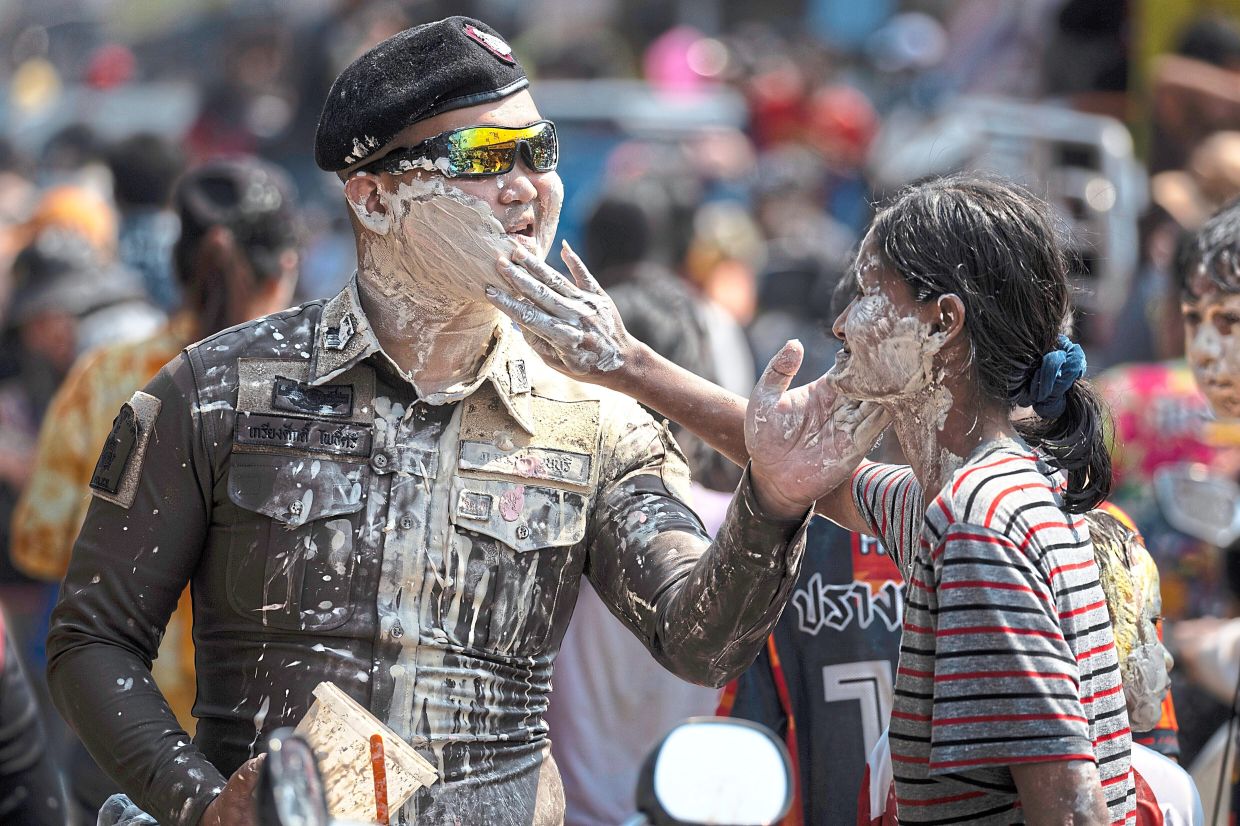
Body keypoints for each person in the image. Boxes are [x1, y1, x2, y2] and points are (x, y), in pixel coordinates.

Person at [44, 18, 858, 826]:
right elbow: (93, 640)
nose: (523, 186)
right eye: (481, 159)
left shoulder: (593, 420)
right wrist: (201, 804)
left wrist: (772, 504)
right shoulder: (219, 391)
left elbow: (699, 642)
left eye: (537, 152)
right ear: (375, 196)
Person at [492, 175, 1135, 822]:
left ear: (942, 322)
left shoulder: (978, 523)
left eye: (868, 292)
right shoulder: (984, 497)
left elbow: (1070, 805)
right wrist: (626, 366)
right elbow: (809, 473)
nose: (841, 321)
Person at [11, 156, 300, 822]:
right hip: (269, 755)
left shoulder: (109, 375)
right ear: (286, 265)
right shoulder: (315, 392)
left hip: (128, 733)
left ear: (174, 263)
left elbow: (39, 542)